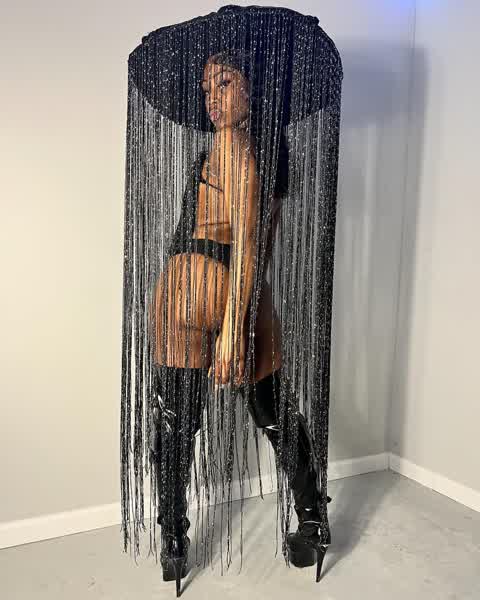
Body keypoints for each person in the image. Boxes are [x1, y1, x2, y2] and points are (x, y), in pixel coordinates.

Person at [149, 51, 331, 596]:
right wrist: (242, 316)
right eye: (207, 88)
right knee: (271, 413)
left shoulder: (234, 148)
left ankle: (173, 540)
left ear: (255, 90)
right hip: (220, 294)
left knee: (178, 418)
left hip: (194, 294)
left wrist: (234, 328)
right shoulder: (261, 156)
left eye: (225, 82)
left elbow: (249, 244)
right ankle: (313, 524)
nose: (212, 98)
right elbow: (256, 247)